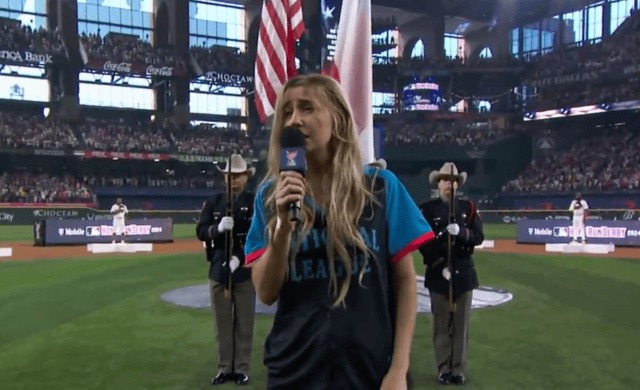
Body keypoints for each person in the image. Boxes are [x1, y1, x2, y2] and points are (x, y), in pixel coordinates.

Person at [244, 74, 434, 390]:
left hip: (371, 370)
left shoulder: (380, 188)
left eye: (307, 108)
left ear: (338, 119)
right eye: (287, 112)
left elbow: (404, 281)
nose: (294, 120)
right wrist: (281, 232)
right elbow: (265, 292)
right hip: (294, 370)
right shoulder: (269, 196)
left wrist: (399, 369)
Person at [419, 162, 484, 386]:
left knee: (461, 325)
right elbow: (423, 242)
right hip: (439, 274)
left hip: (464, 273)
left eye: (454, 180)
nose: (450, 184)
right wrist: (439, 264)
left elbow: (478, 236)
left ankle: (458, 369)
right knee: (441, 325)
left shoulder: (469, 208)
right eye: (446, 179)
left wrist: (463, 232)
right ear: (438, 183)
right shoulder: (428, 209)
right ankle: (443, 368)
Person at [196, 154, 256, 386]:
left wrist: (239, 258)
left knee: (244, 323)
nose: (233, 180)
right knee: (222, 324)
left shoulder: (252, 202)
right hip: (218, 270)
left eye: (237, 175)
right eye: (229, 176)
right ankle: (224, 368)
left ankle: (241, 368)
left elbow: (256, 236)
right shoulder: (214, 202)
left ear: (246, 178)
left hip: (243, 269)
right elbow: (201, 231)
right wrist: (216, 228)